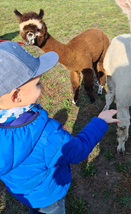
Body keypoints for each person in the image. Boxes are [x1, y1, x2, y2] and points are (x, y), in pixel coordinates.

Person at [0, 41, 120, 214]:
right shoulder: (47, 136)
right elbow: (79, 150)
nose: (42, 86)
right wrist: (100, 121)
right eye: (38, 84)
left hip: (22, 191)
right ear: (16, 96)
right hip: (49, 195)